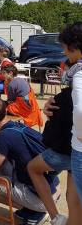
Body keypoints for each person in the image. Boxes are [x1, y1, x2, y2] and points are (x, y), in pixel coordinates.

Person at [0, 97, 60, 225]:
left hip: (43, 199)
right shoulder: (18, 125)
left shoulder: (3, 137)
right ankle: (32, 209)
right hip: (53, 188)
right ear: (6, 110)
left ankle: (35, 213)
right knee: (7, 164)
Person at [28, 80, 79, 225]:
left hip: (65, 152)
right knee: (73, 197)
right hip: (73, 152)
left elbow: (51, 131)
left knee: (33, 168)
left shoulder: (67, 95)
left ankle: (56, 217)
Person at [58, 22, 82, 205]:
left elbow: (80, 110)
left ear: (74, 47)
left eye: (65, 48)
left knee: (75, 200)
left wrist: (80, 134)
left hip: (79, 147)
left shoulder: (78, 72)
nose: (64, 52)